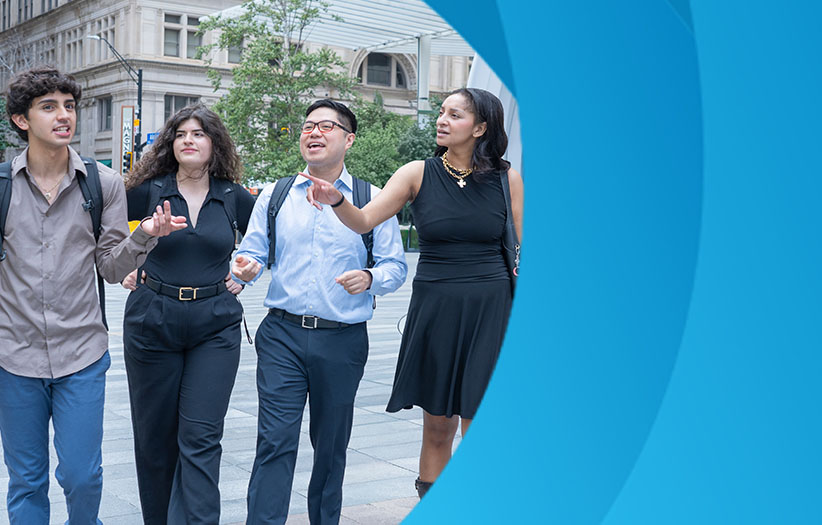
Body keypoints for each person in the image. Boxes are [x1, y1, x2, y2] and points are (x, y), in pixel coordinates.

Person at [305, 88, 524, 498]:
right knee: (437, 425)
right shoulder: (416, 173)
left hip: (492, 309)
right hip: (436, 309)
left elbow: (519, 251)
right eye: (441, 112)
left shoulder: (507, 179)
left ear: (480, 127)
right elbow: (365, 219)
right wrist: (337, 200)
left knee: (481, 423)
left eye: (454, 115)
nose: (441, 120)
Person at [0, 66, 185, 524]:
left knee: (82, 476)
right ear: (22, 120)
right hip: (12, 357)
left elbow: (110, 266)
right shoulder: (2, 185)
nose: (64, 116)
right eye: (49, 107)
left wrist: (146, 237)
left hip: (81, 355)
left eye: (69, 106)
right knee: (26, 479)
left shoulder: (100, 184)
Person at [231, 99, 407, 524]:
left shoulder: (372, 198)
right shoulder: (274, 195)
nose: (313, 133)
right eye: (308, 126)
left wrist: (369, 277)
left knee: (330, 446)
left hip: (342, 339)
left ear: (348, 139)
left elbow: (395, 267)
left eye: (326, 126)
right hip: (282, 337)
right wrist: (246, 267)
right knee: (274, 441)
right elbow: (251, 253)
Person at [120, 103, 255, 524]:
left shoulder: (235, 196)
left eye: (198, 133)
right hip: (151, 321)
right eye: (180, 134)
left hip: (214, 326)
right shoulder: (146, 191)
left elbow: (264, 246)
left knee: (201, 437)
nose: (188, 140)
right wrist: (131, 263)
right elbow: (109, 244)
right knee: (155, 439)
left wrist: (249, 273)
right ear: (170, 143)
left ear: (214, 143)